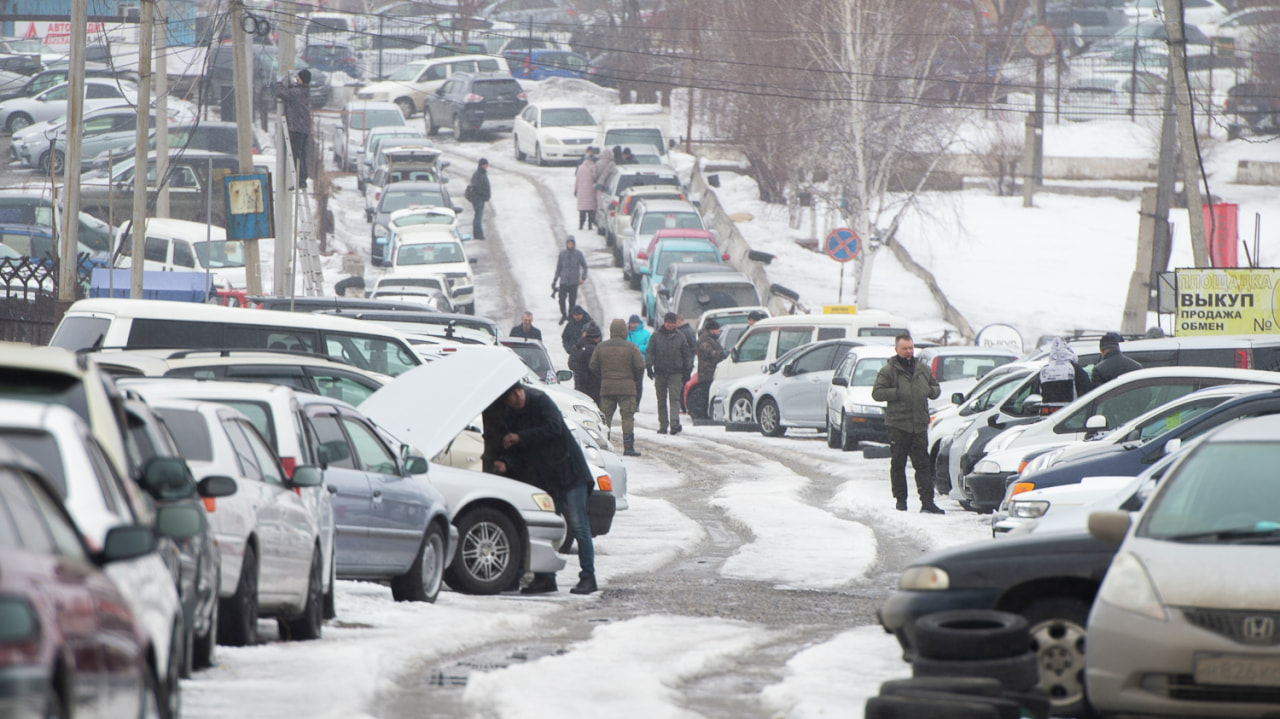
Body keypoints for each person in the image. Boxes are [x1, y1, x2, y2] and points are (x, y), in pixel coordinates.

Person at [483, 383, 597, 595]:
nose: (518, 397)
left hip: (570, 472)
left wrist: (521, 437)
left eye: (519, 391)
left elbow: (554, 428)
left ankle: (588, 577)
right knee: (546, 530)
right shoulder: (512, 417)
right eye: (512, 396)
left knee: (579, 526)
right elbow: (523, 451)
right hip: (547, 479)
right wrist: (507, 462)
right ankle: (545, 578)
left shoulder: (541, 401)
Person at [871, 334, 944, 514]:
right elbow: (877, 393)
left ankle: (927, 502)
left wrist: (929, 390)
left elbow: (936, 389)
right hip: (898, 425)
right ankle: (901, 501)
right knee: (898, 464)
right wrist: (897, 392)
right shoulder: (888, 371)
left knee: (923, 465)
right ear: (897, 350)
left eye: (911, 348)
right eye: (905, 348)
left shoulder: (923, 369)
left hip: (919, 425)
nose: (909, 352)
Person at [591, 319, 645, 456]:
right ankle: (628, 447)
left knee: (606, 417)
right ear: (625, 331)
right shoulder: (632, 347)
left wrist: (604, 376)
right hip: (627, 388)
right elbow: (640, 366)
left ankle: (604, 445)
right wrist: (634, 379)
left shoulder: (601, 347)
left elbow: (593, 366)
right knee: (627, 417)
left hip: (607, 387)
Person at [646, 312, 692, 435]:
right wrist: (649, 366)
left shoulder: (680, 336)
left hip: (676, 373)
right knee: (661, 399)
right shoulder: (655, 336)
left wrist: (687, 370)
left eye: (672, 322)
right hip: (660, 373)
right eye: (668, 322)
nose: (670, 325)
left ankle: (674, 424)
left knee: (674, 398)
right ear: (664, 322)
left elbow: (686, 354)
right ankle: (663, 424)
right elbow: (650, 352)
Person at [273, 69, 313, 190]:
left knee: (296, 155)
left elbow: (280, 93)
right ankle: (302, 179)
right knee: (302, 154)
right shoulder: (305, 91)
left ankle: (300, 180)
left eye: (298, 78)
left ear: (301, 79)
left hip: (296, 127)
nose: (297, 80)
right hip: (304, 127)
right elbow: (293, 92)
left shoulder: (296, 93)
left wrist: (279, 82)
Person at [1033, 337, 1092, 412]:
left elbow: (1035, 396)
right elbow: (1087, 394)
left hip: (1048, 416)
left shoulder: (1044, 371)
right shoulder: (1076, 370)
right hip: (1069, 415)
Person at [693, 319, 726, 416]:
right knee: (705, 394)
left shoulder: (712, 339)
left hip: (711, 372)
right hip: (706, 373)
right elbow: (710, 353)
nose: (719, 331)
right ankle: (702, 414)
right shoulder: (704, 340)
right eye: (717, 329)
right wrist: (722, 354)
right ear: (712, 330)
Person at [553, 237, 588, 323]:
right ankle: (564, 315)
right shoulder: (562, 254)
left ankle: (570, 316)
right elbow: (559, 267)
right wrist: (555, 279)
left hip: (573, 282)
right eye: (569, 243)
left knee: (572, 301)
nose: (570, 245)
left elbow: (585, 266)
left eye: (571, 243)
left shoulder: (578, 254)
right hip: (564, 281)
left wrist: (583, 278)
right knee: (561, 300)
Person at [569, 322, 603, 404]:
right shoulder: (581, 347)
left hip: (583, 384)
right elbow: (571, 363)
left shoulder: (579, 346)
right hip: (589, 385)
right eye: (597, 337)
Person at [627, 314, 651, 404]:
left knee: (638, 383)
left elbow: (649, 346)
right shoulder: (626, 332)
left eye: (635, 323)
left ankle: (637, 402)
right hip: (627, 361)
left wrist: (637, 348)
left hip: (640, 361)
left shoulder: (646, 334)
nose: (633, 325)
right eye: (632, 323)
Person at [467, 158, 491, 240]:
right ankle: (478, 234)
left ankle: (478, 233)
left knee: (478, 216)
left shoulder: (482, 173)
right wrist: (483, 194)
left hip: (481, 198)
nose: (486, 166)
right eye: (485, 164)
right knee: (478, 216)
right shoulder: (478, 174)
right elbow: (475, 187)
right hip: (478, 199)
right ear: (481, 165)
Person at [574, 151, 597, 230]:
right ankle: (590, 225)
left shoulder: (581, 167)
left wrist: (576, 190)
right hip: (591, 191)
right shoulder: (594, 168)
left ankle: (581, 224)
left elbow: (577, 180)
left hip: (582, 192)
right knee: (590, 210)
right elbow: (595, 179)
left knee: (582, 210)